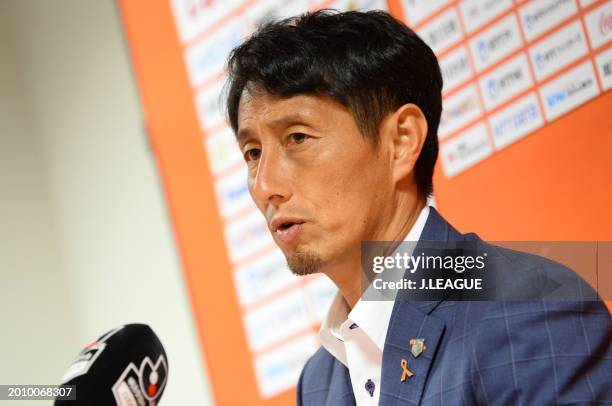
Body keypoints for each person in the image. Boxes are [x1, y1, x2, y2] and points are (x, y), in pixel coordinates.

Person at [224, 9, 612, 405]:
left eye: (298, 137)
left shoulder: (529, 311)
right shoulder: (318, 382)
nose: (266, 185)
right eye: (253, 152)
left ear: (402, 142)